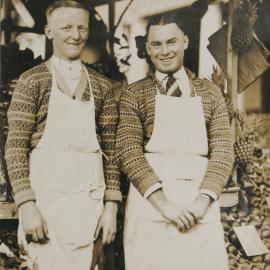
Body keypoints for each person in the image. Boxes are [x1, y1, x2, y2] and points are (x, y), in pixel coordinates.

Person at [5, 1, 121, 269]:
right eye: (66, 27)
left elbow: (112, 151)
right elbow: (15, 148)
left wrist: (111, 206)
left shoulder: (102, 86)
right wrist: (27, 204)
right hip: (46, 208)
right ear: (48, 31)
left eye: (82, 27)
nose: (75, 35)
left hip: (89, 207)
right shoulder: (31, 81)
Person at [116, 13, 234, 270]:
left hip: (199, 207)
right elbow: (128, 152)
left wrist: (201, 202)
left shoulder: (210, 92)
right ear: (147, 49)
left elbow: (223, 150)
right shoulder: (134, 94)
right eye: (156, 44)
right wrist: (165, 206)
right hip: (151, 210)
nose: (164, 51)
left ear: (186, 42)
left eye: (171, 42)